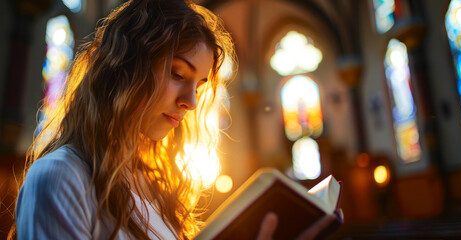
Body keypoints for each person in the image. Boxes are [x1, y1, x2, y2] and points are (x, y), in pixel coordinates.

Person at [12, 0, 337, 239]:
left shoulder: (154, 187)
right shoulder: (59, 178)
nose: (191, 102)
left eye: (199, 86)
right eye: (177, 73)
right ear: (125, 68)